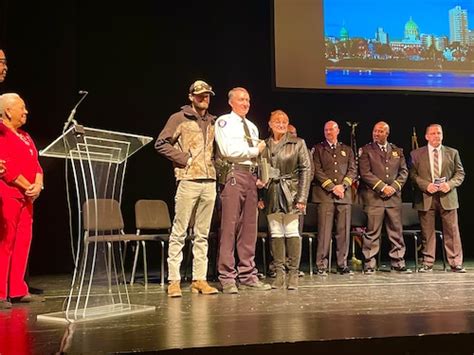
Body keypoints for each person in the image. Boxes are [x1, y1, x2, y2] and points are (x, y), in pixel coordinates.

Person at [155, 80, 219, 297]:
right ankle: (174, 280)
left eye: (208, 95)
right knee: (180, 231)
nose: (205, 99)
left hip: (209, 181)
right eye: (200, 95)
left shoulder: (213, 121)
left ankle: (198, 279)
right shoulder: (178, 118)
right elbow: (161, 143)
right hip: (188, 179)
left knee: (202, 233)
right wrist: (184, 158)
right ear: (191, 96)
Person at [215, 87, 270, 294]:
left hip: (250, 176)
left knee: (249, 227)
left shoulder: (252, 127)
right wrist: (255, 151)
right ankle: (227, 276)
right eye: (241, 99)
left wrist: (260, 175)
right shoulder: (224, 122)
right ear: (231, 102)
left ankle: (248, 274)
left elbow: (257, 156)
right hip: (233, 175)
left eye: (248, 99)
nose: (246, 103)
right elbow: (228, 151)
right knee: (229, 226)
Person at [0, 93, 45, 309]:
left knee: (23, 242)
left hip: (27, 198)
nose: (26, 112)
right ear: (8, 111)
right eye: (22, 108)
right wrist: (28, 186)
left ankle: (17, 289)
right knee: (5, 243)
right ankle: (1, 292)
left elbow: (36, 164)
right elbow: (6, 167)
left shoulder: (26, 136)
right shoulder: (1, 134)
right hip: (8, 194)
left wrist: (38, 184)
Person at [259, 110, 311, 290]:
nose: (280, 124)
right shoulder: (263, 145)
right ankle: (279, 274)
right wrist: (260, 194)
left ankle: (293, 273)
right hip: (271, 192)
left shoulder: (298, 143)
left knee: (291, 230)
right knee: (275, 231)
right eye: (277, 121)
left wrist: (302, 197)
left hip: (291, 192)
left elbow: (306, 170)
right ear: (270, 123)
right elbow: (258, 169)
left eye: (284, 121)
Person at [410, 124, 465, 273]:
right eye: (433, 133)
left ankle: (455, 262)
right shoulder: (416, 154)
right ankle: (428, 262)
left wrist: (450, 184)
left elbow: (460, 174)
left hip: (447, 196)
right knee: (427, 232)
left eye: (439, 133)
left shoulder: (452, 153)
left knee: (452, 231)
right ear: (427, 136)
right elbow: (413, 175)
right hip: (426, 196)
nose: (436, 136)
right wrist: (426, 185)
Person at [358, 121, 411, 274]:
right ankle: (369, 263)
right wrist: (383, 187)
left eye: (380, 131)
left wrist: (393, 188)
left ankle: (398, 261)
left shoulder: (397, 150)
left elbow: (404, 172)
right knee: (372, 232)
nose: (376, 133)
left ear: (387, 133)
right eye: (375, 131)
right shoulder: (366, 150)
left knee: (396, 231)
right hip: (374, 197)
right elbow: (365, 173)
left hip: (393, 198)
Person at [312, 121, 357, 276]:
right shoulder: (318, 149)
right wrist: (333, 187)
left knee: (343, 232)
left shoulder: (347, 149)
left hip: (344, 196)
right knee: (324, 232)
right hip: (325, 196)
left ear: (338, 131)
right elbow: (317, 171)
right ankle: (321, 265)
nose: (329, 132)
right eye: (326, 130)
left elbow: (352, 170)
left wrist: (343, 186)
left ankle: (341, 264)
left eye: (331, 129)